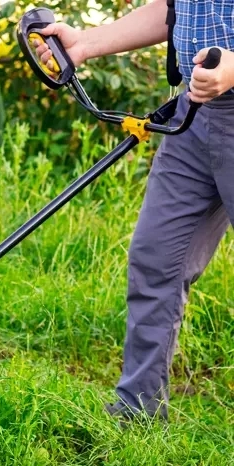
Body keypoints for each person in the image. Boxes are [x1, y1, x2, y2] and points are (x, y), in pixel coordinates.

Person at [34, 0, 234, 421]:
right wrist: (85, 43)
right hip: (194, 118)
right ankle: (137, 413)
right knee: (156, 258)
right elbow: (173, 9)